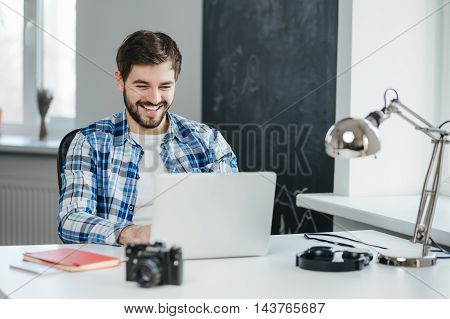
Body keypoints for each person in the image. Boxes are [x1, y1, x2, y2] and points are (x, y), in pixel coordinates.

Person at [58, 30, 238, 246]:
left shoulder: (208, 140)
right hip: (121, 264)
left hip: (196, 260)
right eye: (142, 86)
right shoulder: (89, 142)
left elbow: (232, 212)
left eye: (165, 86)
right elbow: (71, 220)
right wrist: (132, 234)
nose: (154, 99)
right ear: (120, 81)